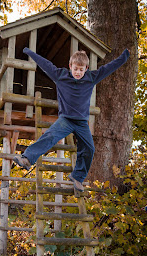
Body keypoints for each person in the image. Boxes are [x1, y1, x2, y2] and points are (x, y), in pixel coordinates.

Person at [13, 47, 130, 191]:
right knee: (50, 136)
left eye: (81, 70)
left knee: (89, 148)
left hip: (81, 122)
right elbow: (45, 64)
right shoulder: (60, 75)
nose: (78, 72)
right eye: (75, 69)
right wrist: (30, 53)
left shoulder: (91, 78)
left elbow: (108, 68)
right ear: (70, 66)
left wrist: (124, 58)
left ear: (86, 68)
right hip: (66, 120)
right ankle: (27, 158)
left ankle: (77, 177)